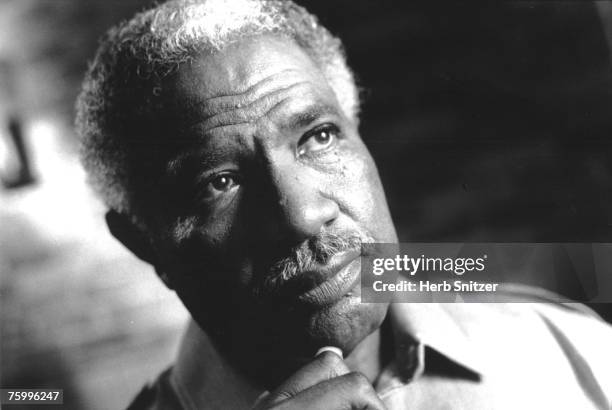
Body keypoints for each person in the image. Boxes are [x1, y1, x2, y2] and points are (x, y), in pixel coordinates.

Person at [75, 0, 612, 408]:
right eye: (218, 182)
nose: (302, 215)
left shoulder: (573, 351)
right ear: (145, 244)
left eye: (320, 136)